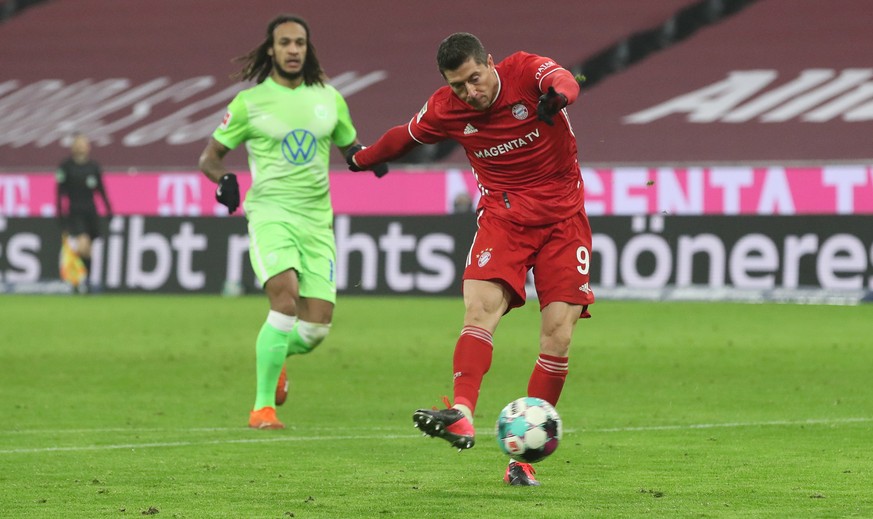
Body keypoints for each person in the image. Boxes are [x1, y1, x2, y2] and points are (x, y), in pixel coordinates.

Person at [347, 32, 594, 486]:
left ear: (491, 64)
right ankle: (460, 413)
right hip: (503, 218)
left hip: (564, 221)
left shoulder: (526, 71)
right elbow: (405, 136)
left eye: (475, 79)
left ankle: (521, 461)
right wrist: (363, 158)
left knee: (557, 336)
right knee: (479, 308)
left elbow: (563, 78)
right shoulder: (447, 107)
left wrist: (560, 96)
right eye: (458, 85)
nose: (469, 93)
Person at [198, 14, 386, 430]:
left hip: (317, 221)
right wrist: (224, 178)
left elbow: (351, 149)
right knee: (284, 301)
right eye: (285, 42)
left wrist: (377, 157)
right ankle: (262, 408)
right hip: (270, 212)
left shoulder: (330, 99)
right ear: (272, 49)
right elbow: (209, 157)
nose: (293, 49)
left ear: (308, 47)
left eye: (299, 42)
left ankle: (277, 356)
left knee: (315, 329)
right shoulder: (249, 103)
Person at [56, 132, 112, 293]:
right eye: (78, 143)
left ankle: (84, 281)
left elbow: (101, 190)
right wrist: (60, 213)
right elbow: (59, 193)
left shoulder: (93, 167)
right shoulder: (66, 166)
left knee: (88, 250)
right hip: (75, 212)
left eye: (84, 143)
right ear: (73, 147)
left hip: (91, 212)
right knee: (83, 244)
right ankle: (79, 279)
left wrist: (109, 209)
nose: (81, 146)